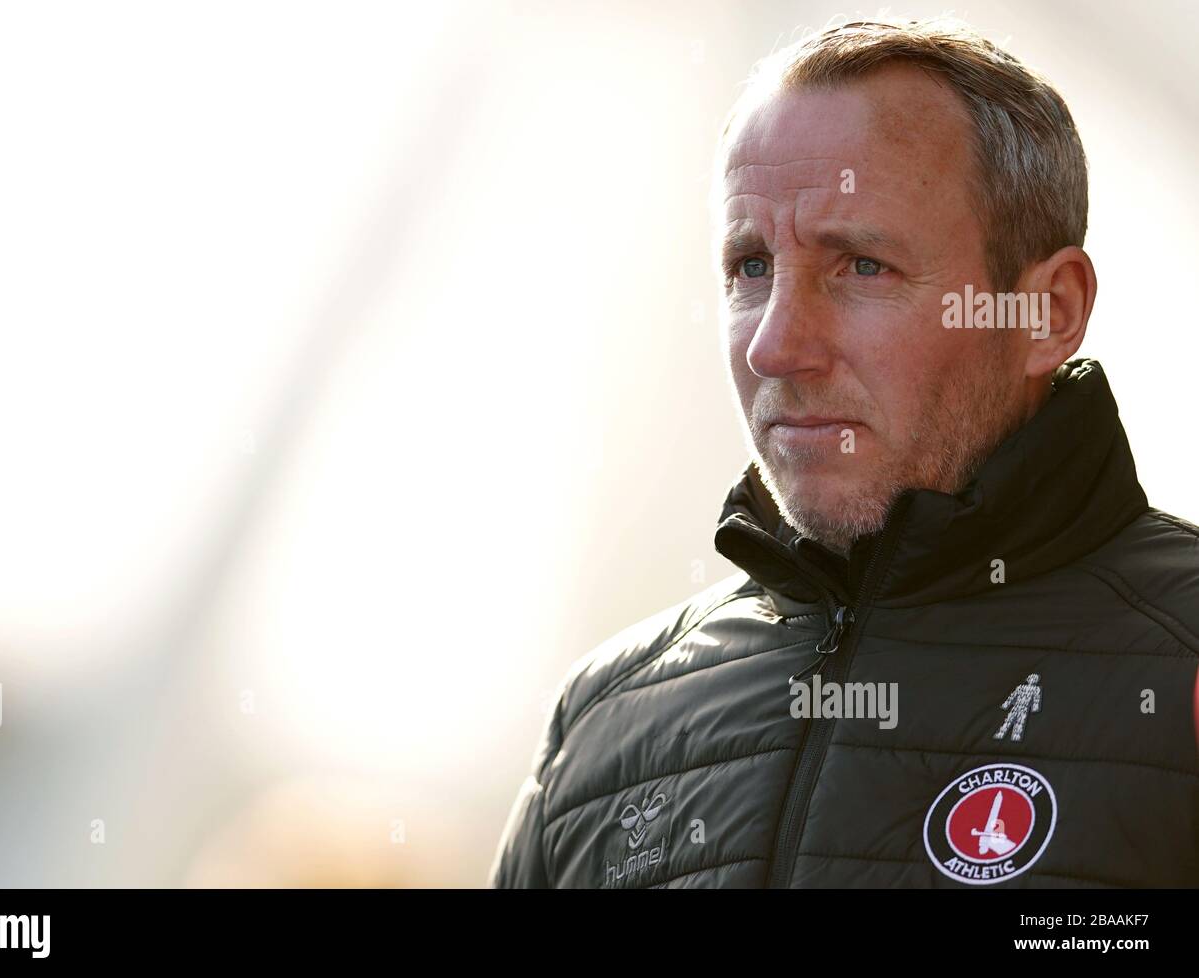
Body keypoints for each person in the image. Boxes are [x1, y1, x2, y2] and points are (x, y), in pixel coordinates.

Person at [489, 17, 1199, 888]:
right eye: (751, 267)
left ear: (1045, 312)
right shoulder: (601, 729)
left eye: (862, 266)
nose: (776, 347)